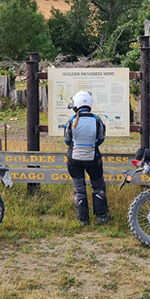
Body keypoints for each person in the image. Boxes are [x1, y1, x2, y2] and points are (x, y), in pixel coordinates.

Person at [64, 90, 113, 226]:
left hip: (74, 159)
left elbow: (67, 140)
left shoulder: (71, 120)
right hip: (93, 158)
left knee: (79, 188)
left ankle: (82, 219)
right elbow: (101, 138)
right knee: (98, 186)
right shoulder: (96, 119)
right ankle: (101, 217)